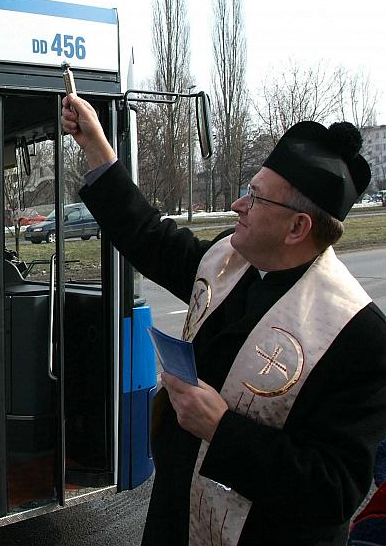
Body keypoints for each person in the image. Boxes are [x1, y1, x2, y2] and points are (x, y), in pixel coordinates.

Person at [61, 93, 386, 546]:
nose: (237, 204)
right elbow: (148, 236)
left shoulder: (358, 334)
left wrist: (221, 429)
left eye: (255, 196)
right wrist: (95, 144)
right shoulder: (230, 262)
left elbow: (333, 491)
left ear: (297, 229)